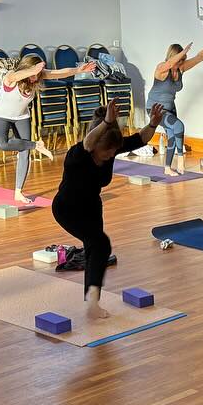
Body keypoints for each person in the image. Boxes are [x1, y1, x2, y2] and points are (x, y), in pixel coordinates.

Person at [52, 100, 164, 322]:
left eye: (114, 150)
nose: (111, 154)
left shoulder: (111, 148)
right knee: (101, 243)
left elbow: (139, 139)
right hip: (68, 209)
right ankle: (92, 303)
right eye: (107, 150)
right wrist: (106, 122)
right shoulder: (78, 154)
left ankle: (91, 302)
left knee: (95, 250)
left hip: (92, 207)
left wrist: (152, 124)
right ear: (96, 145)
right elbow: (87, 142)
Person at [0, 54, 97, 205]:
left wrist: (78, 70)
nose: (36, 77)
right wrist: (33, 70)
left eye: (38, 74)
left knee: (24, 152)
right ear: (27, 69)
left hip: (21, 116)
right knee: (0, 143)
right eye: (33, 74)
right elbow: (17, 75)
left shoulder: (38, 75)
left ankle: (18, 192)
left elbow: (60, 73)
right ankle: (36, 145)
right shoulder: (11, 77)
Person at [148, 32, 203, 176]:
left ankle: (167, 168)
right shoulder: (161, 69)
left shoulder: (180, 68)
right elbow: (170, 63)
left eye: (182, 60)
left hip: (170, 108)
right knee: (179, 126)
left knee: (172, 135)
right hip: (155, 109)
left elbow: (199, 58)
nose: (180, 64)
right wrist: (183, 52)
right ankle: (181, 162)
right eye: (179, 60)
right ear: (173, 57)